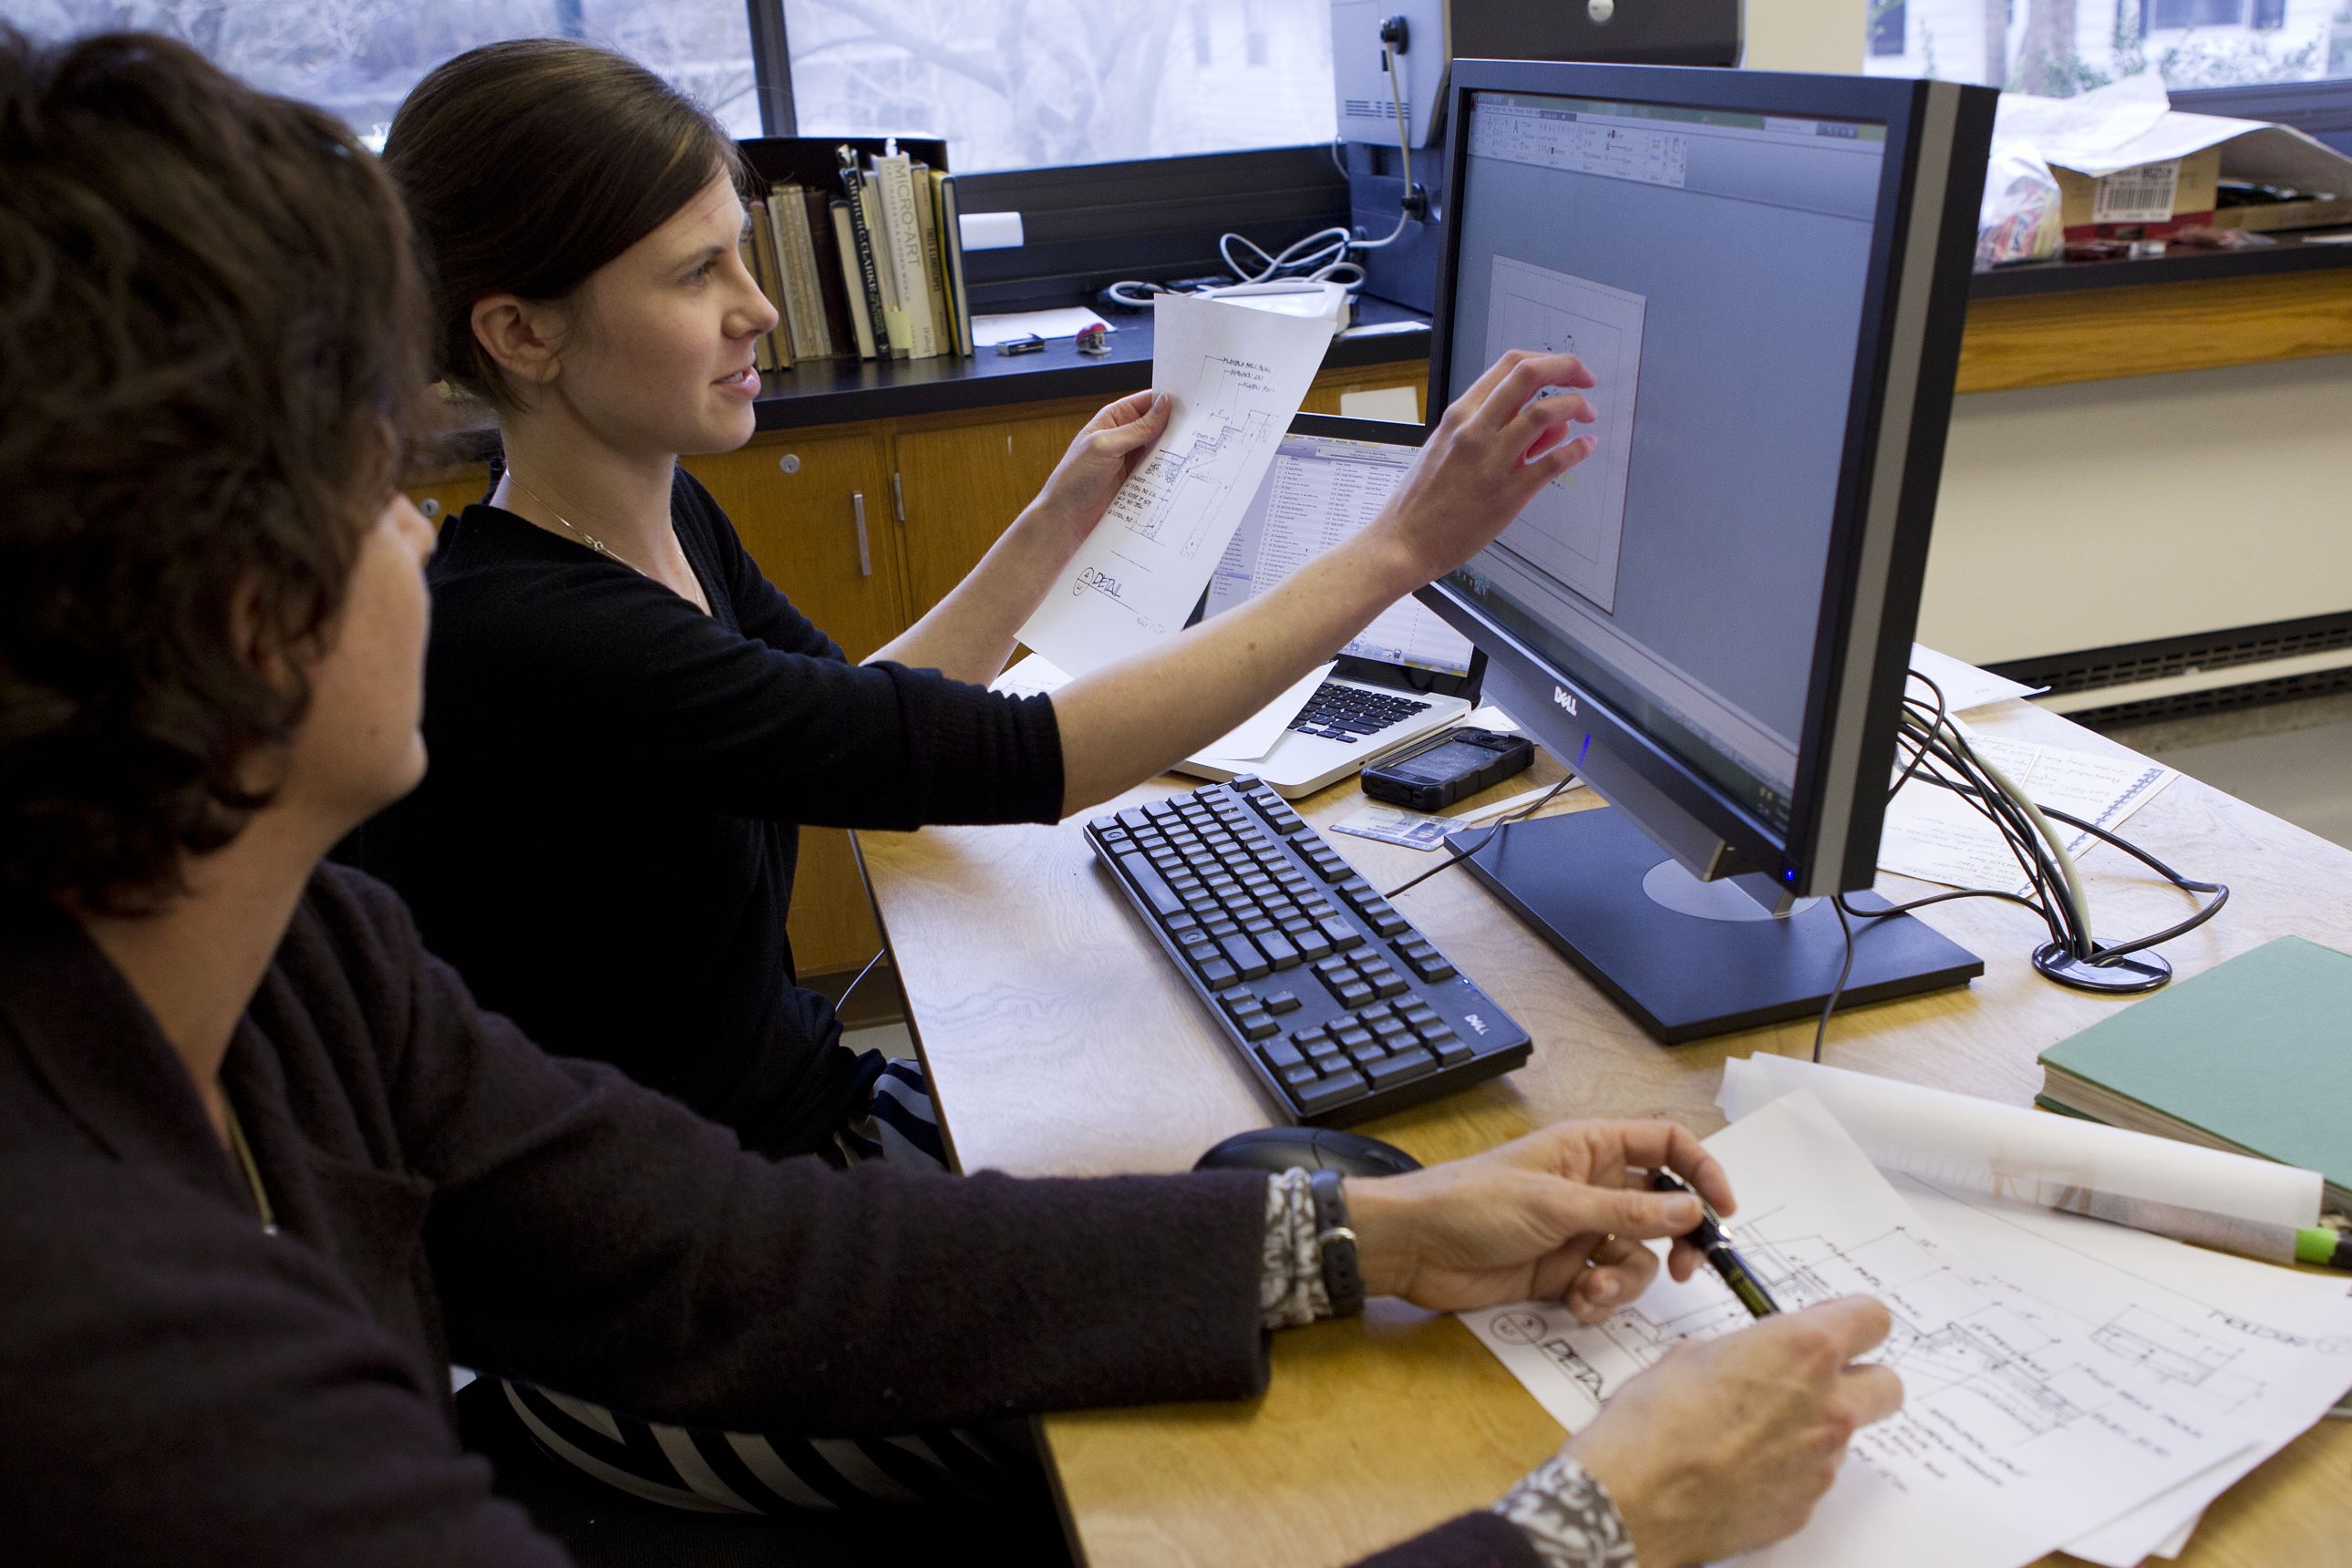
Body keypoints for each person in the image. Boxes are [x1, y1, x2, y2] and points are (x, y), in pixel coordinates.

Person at [0, 28, 1909, 1568]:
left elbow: (742, 1252)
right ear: (247, 610)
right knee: (1220, 1489)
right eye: (374, 488)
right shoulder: (135, 1390)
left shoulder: (307, 971)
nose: (422, 537)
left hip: (727, 1216)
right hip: (617, 1418)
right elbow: (931, 761)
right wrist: (1599, 1524)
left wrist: (1376, 1235)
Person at [349, 37, 1601, 1167]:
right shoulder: (534, 639)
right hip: (704, 1240)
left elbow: (852, 717)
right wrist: (1397, 551)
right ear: (520, 332)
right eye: (695, 275)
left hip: (789, 1121)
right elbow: (1021, 760)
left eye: (745, 249)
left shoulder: (655, 517)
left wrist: (1059, 517)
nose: (761, 308)